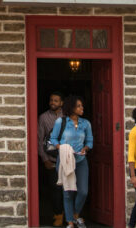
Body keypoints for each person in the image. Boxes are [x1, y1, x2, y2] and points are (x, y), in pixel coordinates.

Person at [51, 95, 93, 228]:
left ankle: (75, 214)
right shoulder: (61, 122)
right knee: (68, 192)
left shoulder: (86, 123)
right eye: (79, 106)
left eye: (82, 106)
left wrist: (85, 148)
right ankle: (70, 222)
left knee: (83, 191)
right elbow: (53, 139)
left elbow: (90, 141)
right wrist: (62, 148)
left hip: (80, 160)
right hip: (65, 160)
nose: (82, 108)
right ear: (72, 107)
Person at [38, 92, 65, 226]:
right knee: (55, 190)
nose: (52, 103)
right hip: (52, 160)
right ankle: (58, 215)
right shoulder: (43, 118)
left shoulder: (68, 117)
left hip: (67, 160)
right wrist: (44, 159)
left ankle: (70, 215)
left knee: (69, 189)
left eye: (56, 100)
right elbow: (39, 139)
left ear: (61, 103)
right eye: (51, 100)